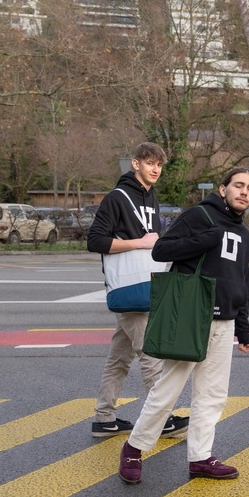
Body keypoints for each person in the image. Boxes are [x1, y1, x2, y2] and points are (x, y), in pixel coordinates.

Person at [118, 168, 249, 483]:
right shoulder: (199, 216)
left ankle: (201, 457)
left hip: (225, 321)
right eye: (238, 185)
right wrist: (205, 240)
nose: (244, 192)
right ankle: (134, 448)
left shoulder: (244, 233)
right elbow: (161, 250)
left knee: (213, 394)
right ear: (223, 189)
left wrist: (243, 327)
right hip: (193, 315)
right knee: (168, 389)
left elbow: (242, 280)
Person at [86, 142, 189, 439]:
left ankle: (104, 418)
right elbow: (95, 241)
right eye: (150, 163)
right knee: (151, 355)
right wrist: (139, 243)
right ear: (135, 164)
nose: (155, 169)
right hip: (132, 288)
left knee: (119, 358)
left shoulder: (151, 197)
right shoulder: (117, 198)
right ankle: (161, 419)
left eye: (159, 164)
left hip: (146, 284)